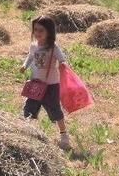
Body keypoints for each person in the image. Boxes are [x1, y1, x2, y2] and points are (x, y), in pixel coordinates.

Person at [19, 15, 71, 151]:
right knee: (29, 109)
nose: (37, 33)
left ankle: (64, 135)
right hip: (35, 84)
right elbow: (30, 57)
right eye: (35, 30)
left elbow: (62, 59)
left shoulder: (53, 47)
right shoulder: (34, 46)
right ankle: (26, 134)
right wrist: (25, 65)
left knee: (55, 110)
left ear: (49, 31)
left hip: (51, 86)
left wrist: (63, 65)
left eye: (41, 30)